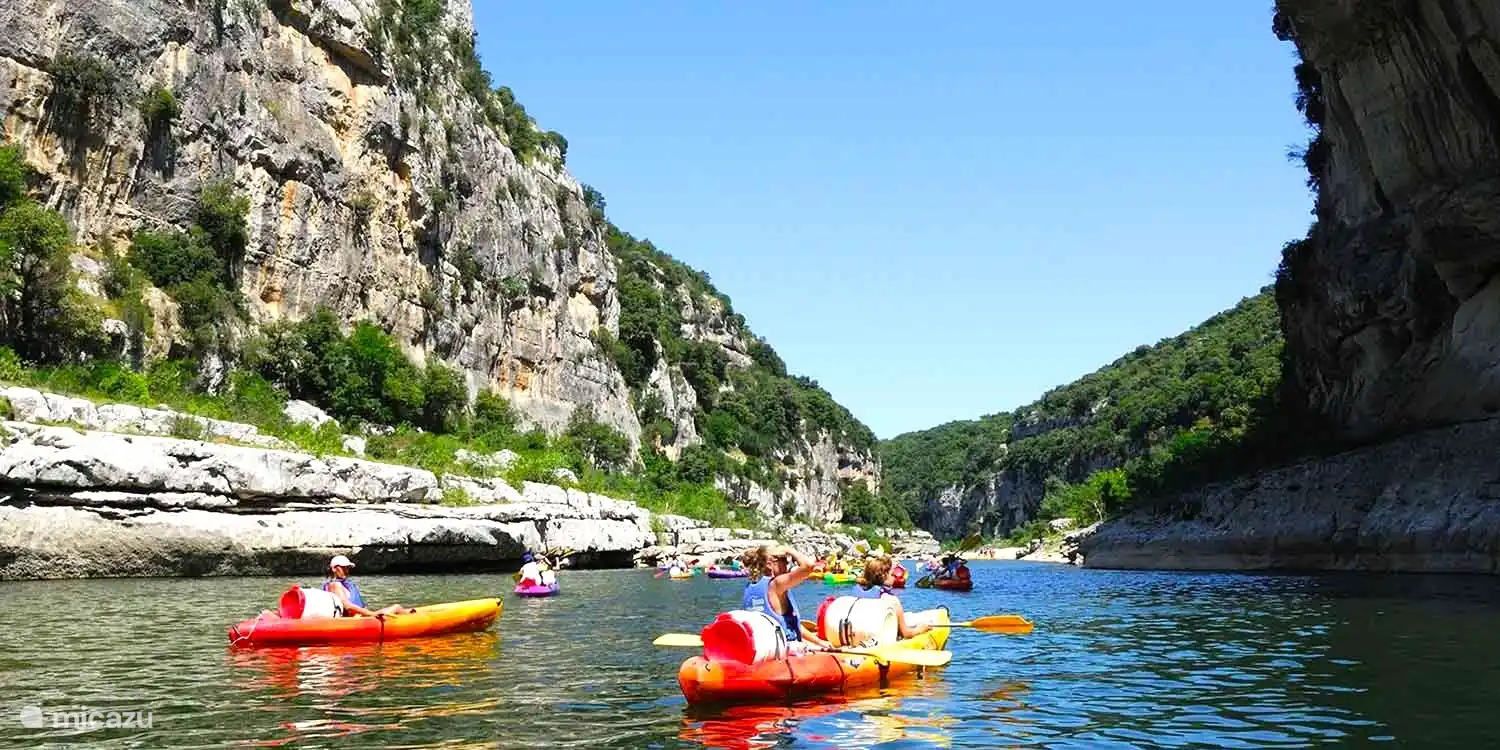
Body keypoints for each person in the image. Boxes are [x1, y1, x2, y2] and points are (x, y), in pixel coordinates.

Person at [740, 544, 831, 652]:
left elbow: (789, 624)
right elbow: (808, 566)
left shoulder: (749, 586)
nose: (787, 563)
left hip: (762, 647)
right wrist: (789, 549)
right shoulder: (777, 584)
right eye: (783, 559)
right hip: (785, 649)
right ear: (770, 564)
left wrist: (819, 642)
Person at [854, 556, 932, 640]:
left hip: (861, 636)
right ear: (884, 576)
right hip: (881, 641)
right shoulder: (892, 600)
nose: (894, 577)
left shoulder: (857, 591)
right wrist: (921, 629)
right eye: (892, 574)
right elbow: (906, 634)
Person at [323, 555, 410, 617]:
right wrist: (372, 614)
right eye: (343, 568)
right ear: (334, 569)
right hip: (353, 620)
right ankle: (412, 619)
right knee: (396, 607)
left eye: (348, 568)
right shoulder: (335, 585)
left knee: (397, 608)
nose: (347, 571)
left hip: (359, 617)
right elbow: (347, 606)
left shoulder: (341, 584)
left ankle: (408, 613)